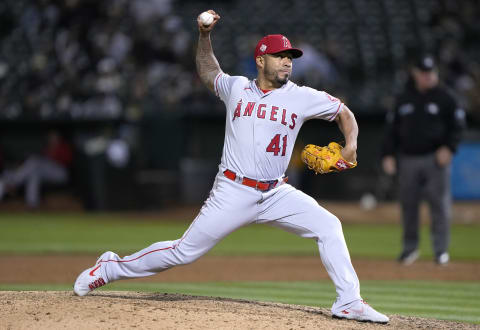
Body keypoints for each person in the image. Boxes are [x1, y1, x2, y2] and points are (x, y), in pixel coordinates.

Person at [74, 10, 389, 324]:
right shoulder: (236, 88)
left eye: (290, 56)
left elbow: (343, 112)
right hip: (233, 190)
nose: (287, 61)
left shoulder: (302, 96)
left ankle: (348, 301)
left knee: (329, 226)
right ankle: (110, 268)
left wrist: (351, 144)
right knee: (184, 252)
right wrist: (204, 35)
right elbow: (208, 71)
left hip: (276, 192)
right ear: (261, 61)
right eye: (280, 56)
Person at [381, 54, 466, 266]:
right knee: (408, 205)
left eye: (431, 73)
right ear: (416, 74)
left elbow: (458, 126)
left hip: (434, 158)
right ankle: (410, 249)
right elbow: (391, 130)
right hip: (407, 159)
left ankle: (441, 251)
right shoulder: (403, 98)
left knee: (439, 205)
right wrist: (388, 154)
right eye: (424, 73)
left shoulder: (447, 98)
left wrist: (449, 148)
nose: (428, 77)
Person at [0, 130, 73, 208]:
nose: (52, 138)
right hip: (46, 172)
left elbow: (67, 161)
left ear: (59, 137)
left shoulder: (63, 147)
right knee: (34, 174)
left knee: (34, 161)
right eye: (51, 136)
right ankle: (32, 204)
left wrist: (52, 156)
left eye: (54, 136)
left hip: (61, 172)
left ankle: (13, 182)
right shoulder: (47, 148)